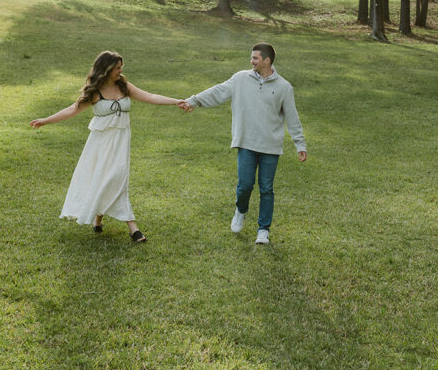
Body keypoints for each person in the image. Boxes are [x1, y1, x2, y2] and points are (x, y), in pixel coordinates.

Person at [30, 51, 181, 242]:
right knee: (104, 177)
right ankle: (129, 226)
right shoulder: (95, 91)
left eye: (121, 68)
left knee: (117, 177)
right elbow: (71, 110)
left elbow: (150, 96)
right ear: (107, 69)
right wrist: (45, 121)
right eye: (117, 68)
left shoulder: (124, 86)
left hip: (120, 141)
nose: (121, 71)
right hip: (100, 144)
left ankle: (109, 221)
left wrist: (176, 102)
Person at [179, 43, 307, 245]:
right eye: (252, 57)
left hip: (270, 147)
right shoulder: (240, 79)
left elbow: (292, 118)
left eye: (255, 58)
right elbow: (218, 91)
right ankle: (241, 210)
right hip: (247, 142)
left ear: (267, 60)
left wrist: (300, 144)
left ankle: (263, 230)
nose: (252, 61)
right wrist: (194, 100)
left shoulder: (284, 87)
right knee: (245, 185)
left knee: (266, 188)